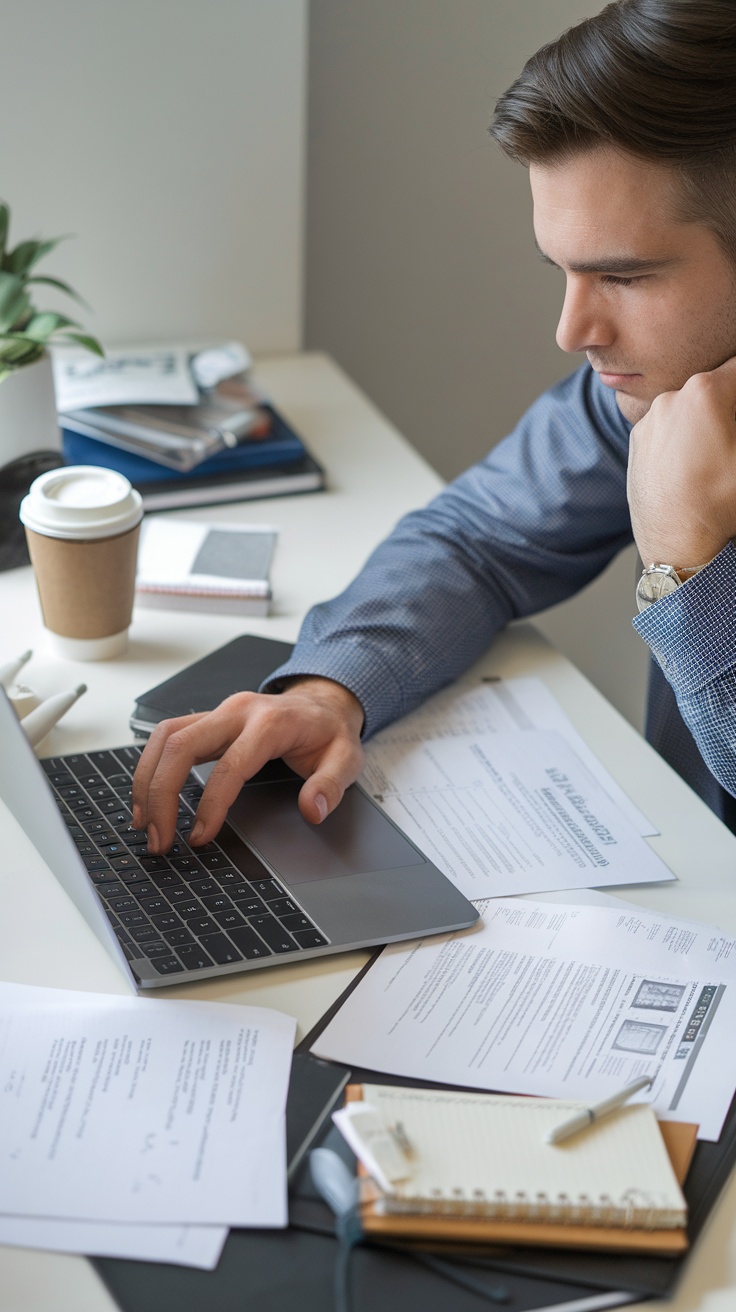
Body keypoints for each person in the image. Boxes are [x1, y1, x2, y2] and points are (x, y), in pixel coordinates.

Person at [133, 0, 736, 855]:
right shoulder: (658, 393)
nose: (572, 332)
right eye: (562, 271)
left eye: (625, 277)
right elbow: (479, 538)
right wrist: (328, 689)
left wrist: (691, 568)